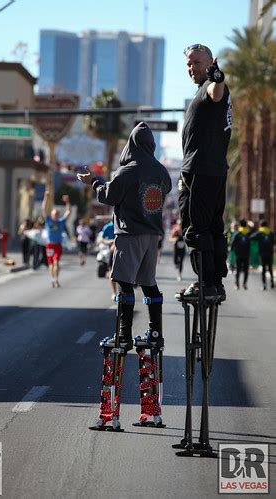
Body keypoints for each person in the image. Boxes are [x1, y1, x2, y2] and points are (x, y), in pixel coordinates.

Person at [77, 121, 172, 350]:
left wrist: (94, 182)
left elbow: (109, 195)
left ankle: (123, 335)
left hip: (130, 233)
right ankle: (155, 333)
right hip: (152, 234)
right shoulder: (161, 170)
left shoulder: (128, 170)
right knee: (149, 283)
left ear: (131, 144)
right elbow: (166, 188)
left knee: (124, 282)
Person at [178, 43, 232, 301]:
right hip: (213, 169)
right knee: (212, 228)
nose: (192, 67)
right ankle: (215, 281)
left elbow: (216, 92)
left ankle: (205, 282)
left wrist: (217, 76)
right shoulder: (202, 89)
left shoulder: (211, 86)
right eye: (189, 63)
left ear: (210, 62)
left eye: (196, 62)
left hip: (200, 170)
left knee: (196, 228)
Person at [42, 191, 71, 288]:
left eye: (57, 214)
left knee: (56, 262)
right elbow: (44, 209)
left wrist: (67, 202)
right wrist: (46, 198)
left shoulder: (61, 222)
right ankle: (52, 279)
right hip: (50, 245)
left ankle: (56, 279)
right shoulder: (48, 220)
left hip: (58, 245)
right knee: (51, 264)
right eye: (54, 214)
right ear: (52, 214)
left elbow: (68, 212)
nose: (56, 215)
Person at [250, 220, 275, 290]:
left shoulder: (259, 233)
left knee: (264, 269)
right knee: (270, 269)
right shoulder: (271, 233)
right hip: (270, 254)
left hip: (262, 254)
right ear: (267, 226)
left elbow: (251, 237)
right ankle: (272, 283)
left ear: (261, 225)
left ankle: (264, 285)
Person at [97, 218, 117, 299]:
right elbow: (101, 238)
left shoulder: (126, 225)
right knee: (112, 272)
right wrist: (108, 242)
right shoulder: (108, 226)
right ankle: (114, 293)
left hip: (123, 250)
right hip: (110, 250)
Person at [231, 219, 250, 290]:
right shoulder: (248, 234)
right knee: (246, 270)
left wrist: (232, 249)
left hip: (238, 255)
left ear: (240, 225)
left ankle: (237, 284)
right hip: (246, 255)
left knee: (238, 270)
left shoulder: (237, 234)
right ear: (246, 225)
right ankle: (244, 284)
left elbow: (232, 244)